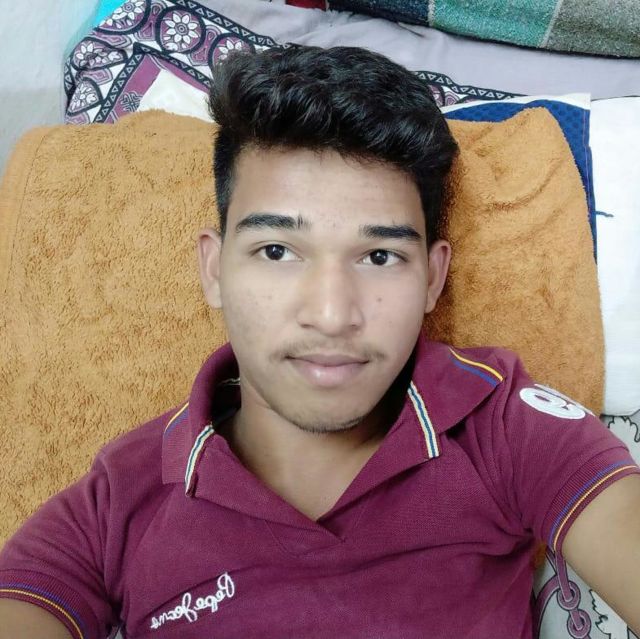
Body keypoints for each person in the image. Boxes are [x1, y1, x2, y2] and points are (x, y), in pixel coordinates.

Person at [0, 45, 638, 639]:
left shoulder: (501, 423)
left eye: (380, 256)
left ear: (433, 278)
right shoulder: (117, 499)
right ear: (214, 270)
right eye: (277, 251)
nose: (332, 316)